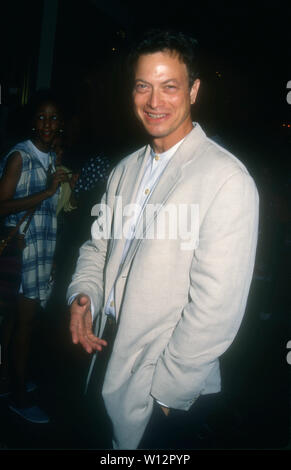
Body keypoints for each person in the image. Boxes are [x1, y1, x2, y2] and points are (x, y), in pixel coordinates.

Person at [67, 29, 259, 450]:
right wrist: (85, 295)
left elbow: (217, 308)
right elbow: (98, 247)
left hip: (164, 387)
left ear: (193, 89)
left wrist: (168, 395)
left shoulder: (225, 179)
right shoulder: (124, 170)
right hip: (106, 354)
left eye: (170, 87)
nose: (155, 102)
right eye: (143, 87)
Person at [0, 89, 67, 423]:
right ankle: (19, 397)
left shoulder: (51, 157)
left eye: (53, 117)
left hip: (41, 251)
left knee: (14, 322)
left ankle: (9, 377)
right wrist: (46, 192)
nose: (47, 123)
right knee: (24, 324)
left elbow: (51, 211)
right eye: (41, 116)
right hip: (23, 253)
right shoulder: (20, 157)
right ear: (31, 121)